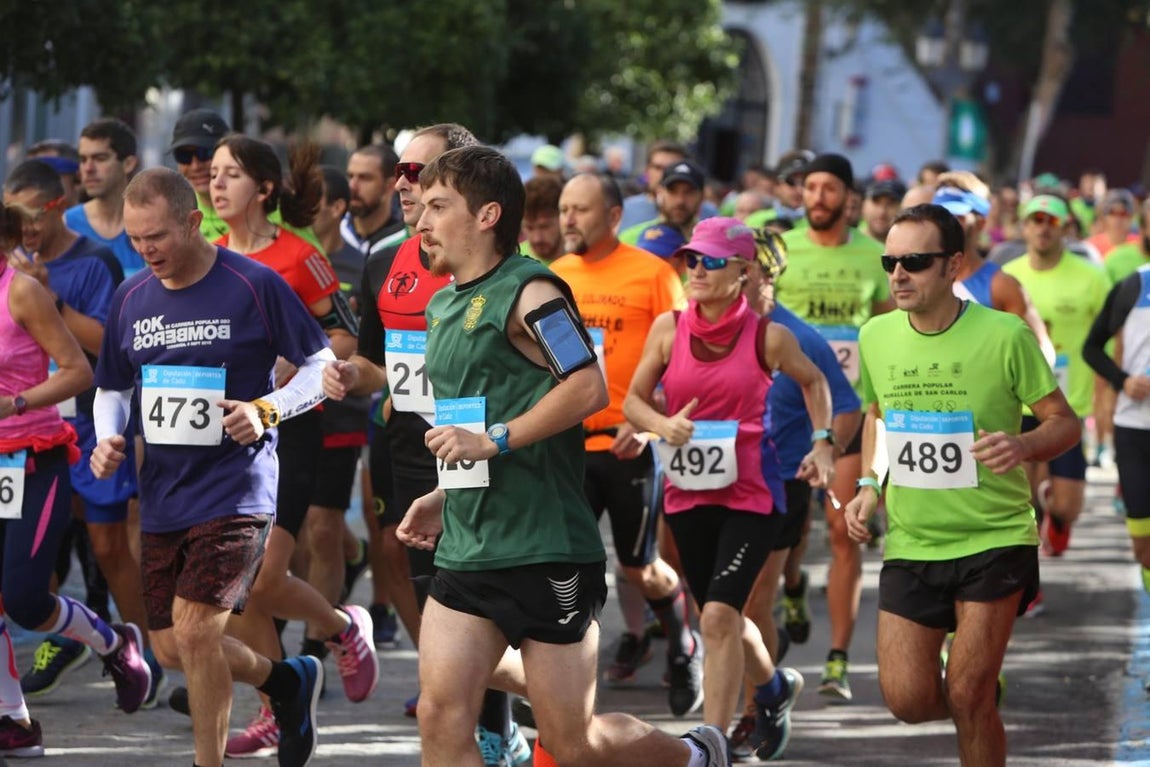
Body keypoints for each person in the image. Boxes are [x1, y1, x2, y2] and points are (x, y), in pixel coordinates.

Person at [329, 142, 730, 767]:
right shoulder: (442, 303)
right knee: (439, 713)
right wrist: (445, 489)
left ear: (487, 216)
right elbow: (469, 420)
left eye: (438, 206)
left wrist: (499, 439)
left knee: (570, 743)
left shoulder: (533, 292)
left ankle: (691, 756)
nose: (421, 220)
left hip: (544, 547)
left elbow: (587, 385)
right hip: (468, 544)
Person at [91, 167, 331, 767]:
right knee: (172, 647)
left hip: (238, 487)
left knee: (198, 633)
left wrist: (266, 410)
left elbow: (319, 368)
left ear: (195, 222)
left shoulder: (253, 284)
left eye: (159, 237)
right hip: (164, 493)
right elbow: (112, 388)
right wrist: (106, 437)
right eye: (136, 239)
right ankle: (285, 681)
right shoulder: (131, 295)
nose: (147, 251)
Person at [321, 124, 530, 764]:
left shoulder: (501, 264)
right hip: (408, 445)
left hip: (482, 449)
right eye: (402, 173)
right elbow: (380, 364)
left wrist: (501, 436)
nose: (404, 185)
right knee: (429, 592)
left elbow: (560, 374)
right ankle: (474, 706)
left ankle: (499, 721)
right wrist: (354, 374)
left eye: (421, 174)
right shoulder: (387, 257)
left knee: (472, 599)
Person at [843, 203, 1079, 767]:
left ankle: (975, 697)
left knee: (968, 695)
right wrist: (870, 484)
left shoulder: (1004, 334)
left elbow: (1064, 423)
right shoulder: (876, 334)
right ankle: (974, 695)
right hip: (912, 541)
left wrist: (1021, 445)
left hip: (994, 538)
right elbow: (879, 415)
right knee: (907, 700)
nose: (898, 275)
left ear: (953, 266)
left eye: (915, 262)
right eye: (890, 262)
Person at [623, 217, 835, 759]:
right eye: (692, 259)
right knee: (725, 617)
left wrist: (823, 443)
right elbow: (633, 402)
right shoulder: (669, 330)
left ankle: (708, 743)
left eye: (712, 261)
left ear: (743, 272)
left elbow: (814, 382)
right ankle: (773, 686)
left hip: (751, 496)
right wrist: (660, 425)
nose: (697, 269)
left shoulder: (769, 336)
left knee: (717, 617)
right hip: (688, 495)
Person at [208, 135, 377, 757]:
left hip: (291, 428)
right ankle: (278, 703)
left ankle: (342, 625)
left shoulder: (298, 256)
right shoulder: (211, 256)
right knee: (236, 586)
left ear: (266, 189)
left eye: (231, 175)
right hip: (226, 435)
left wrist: (291, 360)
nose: (216, 184)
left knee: (263, 576)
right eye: (214, 174)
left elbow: (346, 338)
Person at [3, 160, 166, 706]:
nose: (28, 228)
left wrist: (16, 402)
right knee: (19, 585)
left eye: (33, 216)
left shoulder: (44, 282)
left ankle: (133, 646)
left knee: (92, 554)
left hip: (56, 438)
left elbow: (96, 360)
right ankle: (17, 714)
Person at [550, 174, 698, 714]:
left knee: (639, 565)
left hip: (626, 445)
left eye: (580, 210)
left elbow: (679, 363)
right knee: (564, 563)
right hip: (568, 449)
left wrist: (649, 420)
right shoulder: (554, 276)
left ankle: (682, 643)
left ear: (613, 216)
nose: (568, 220)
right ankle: (566, 676)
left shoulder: (653, 274)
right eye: (564, 209)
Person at [730, 228, 862, 756]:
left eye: (741, 267)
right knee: (713, 605)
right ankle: (768, 680)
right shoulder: (694, 330)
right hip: (712, 482)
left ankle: (749, 711)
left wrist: (825, 447)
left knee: (746, 604)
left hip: (777, 482)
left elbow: (846, 404)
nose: (727, 276)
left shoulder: (798, 336)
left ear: (766, 274)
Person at [772, 152, 888, 702]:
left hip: (849, 412)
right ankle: (793, 583)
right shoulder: (783, 250)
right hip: (790, 414)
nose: (817, 197)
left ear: (849, 198)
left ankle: (838, 659)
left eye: (828, 189)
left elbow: (892, 326)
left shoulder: (875, 255)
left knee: (845, 532)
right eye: (809, 187)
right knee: (791, 531)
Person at [1002, 195, 1110, 568]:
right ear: (1024, 226)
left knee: (1068, 504)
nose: (1043, 227)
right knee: (1022, 502)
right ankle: (1027, 583)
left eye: (1051, 220)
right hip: (1017, 403)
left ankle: (1057, 515)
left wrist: (1105, 394)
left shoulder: (1092, 278)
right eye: (1035, 220)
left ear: (1065, 227)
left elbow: (1107, 339)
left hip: (1068, 405)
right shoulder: (1008, 276)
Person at [1083, 264, 1150, 593]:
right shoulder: (1135, 285)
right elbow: (1091, 348)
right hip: (1135, 429)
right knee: (1144, 547)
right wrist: (1124, 381)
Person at [66, 118, 145, 276]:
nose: (88, 168)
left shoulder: (150, 223)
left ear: (128, 164)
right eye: (83, 160)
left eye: (100, 158)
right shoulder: (67, 224)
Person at [341, 143, 407, 257]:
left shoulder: (403, 242)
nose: (352, 186)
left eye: (365, 178)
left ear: (390, 185)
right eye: (350, 176)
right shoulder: (333, 233)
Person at [520, 176, 564, 264]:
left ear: (563, 219)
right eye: (529, 228)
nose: (537, 238)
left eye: (544, 227)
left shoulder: (582, 259)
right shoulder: (511, 262)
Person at [860, 179, 906, 244]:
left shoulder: (909, 249)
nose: (882, 211)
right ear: (863, 205)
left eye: (890, 204)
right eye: (876, 202)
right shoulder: (846, 241)